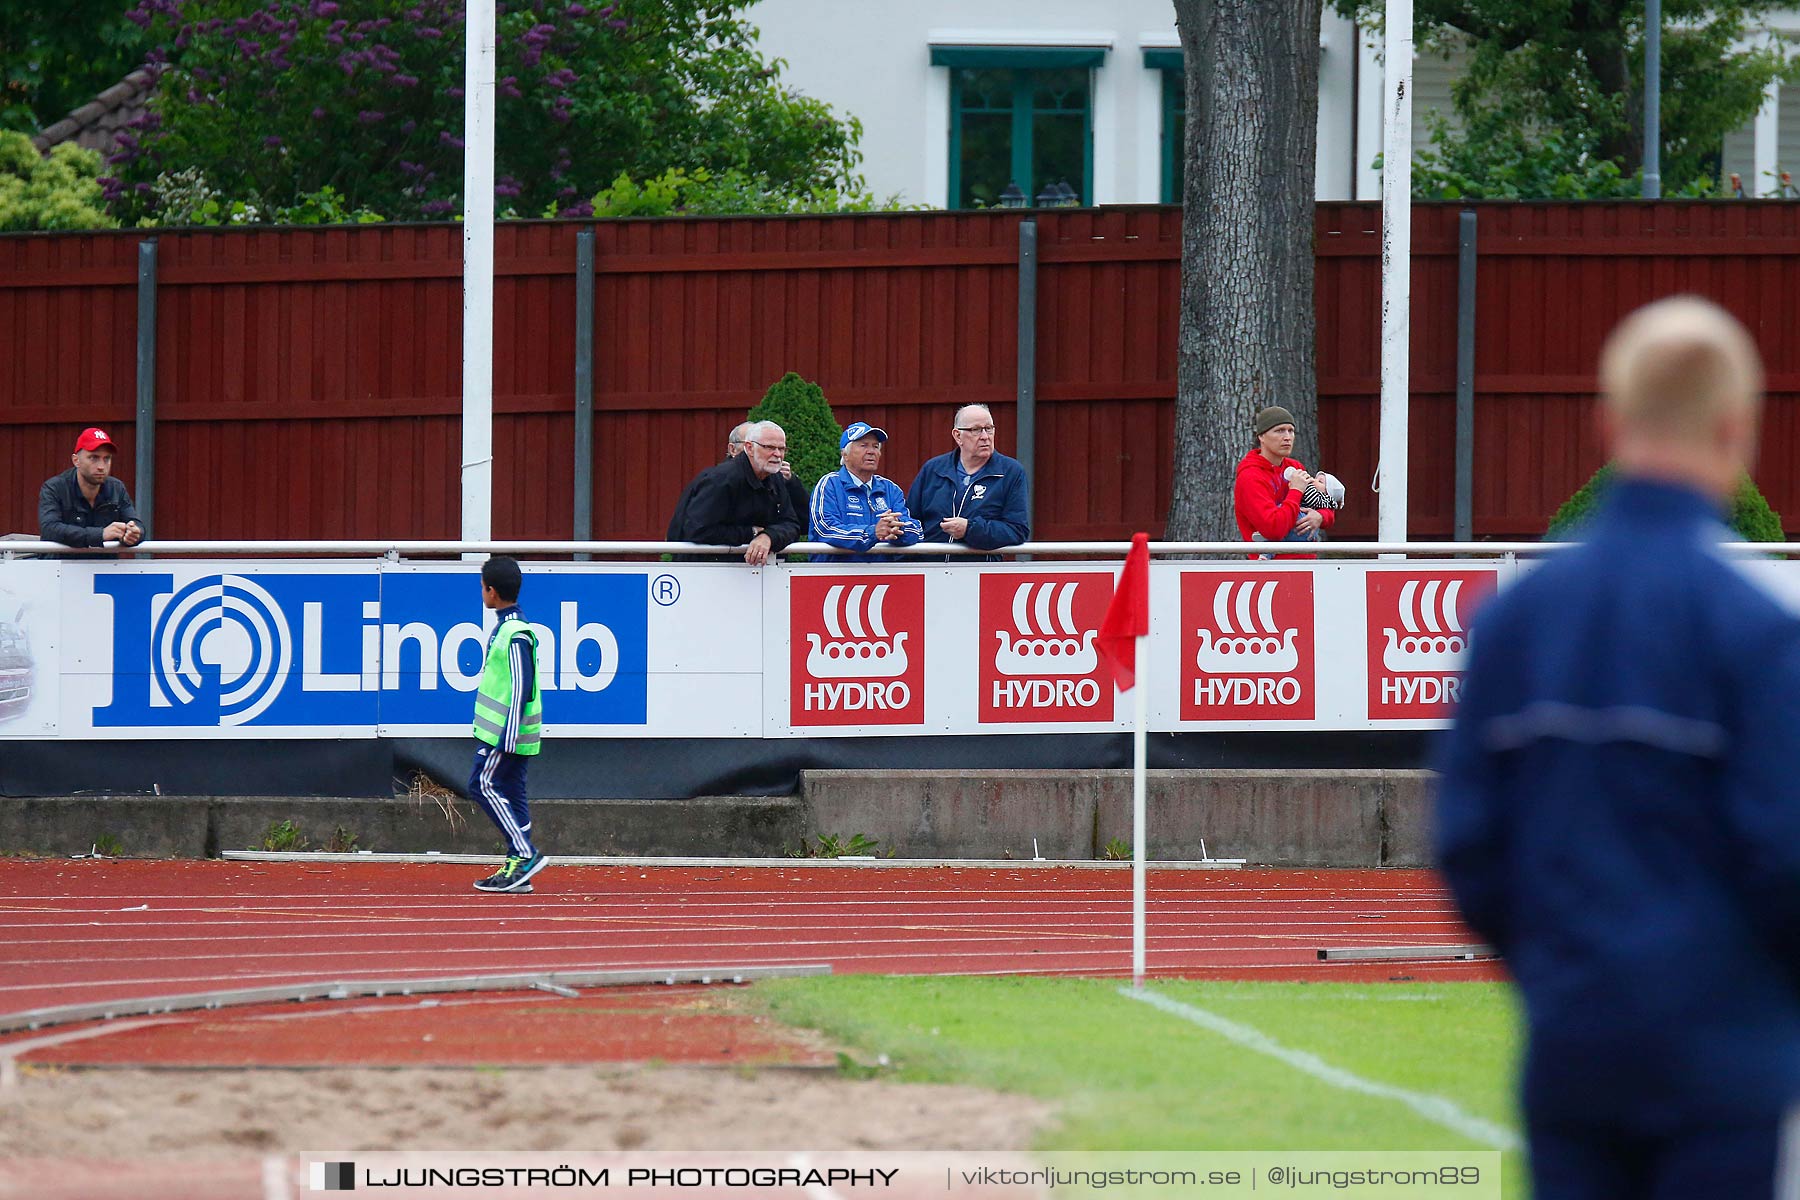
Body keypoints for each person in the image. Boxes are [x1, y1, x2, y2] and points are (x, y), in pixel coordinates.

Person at [1437, 296, 1800, 1199]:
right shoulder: (1760, 630)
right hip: (1724, 1057)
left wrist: (1561, 972)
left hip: (1572, 1046)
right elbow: (1787, 858)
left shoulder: (1514, 624)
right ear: (1735, 431)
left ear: (1609, 423)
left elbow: (1468, 846)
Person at [469, 555, 549, 894]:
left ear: (491, 591)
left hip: (506, 735)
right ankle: (519, 870)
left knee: (481, 785)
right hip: (509, 733)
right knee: (514, 793)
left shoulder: (515, 633)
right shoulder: (508, 627)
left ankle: (524, 853)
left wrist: (508, 736)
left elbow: (522, 686)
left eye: (482, 588)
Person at [906, 404, 1030, 560]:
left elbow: (1017, 530)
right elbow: (910, 521)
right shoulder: (933, 470)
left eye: (989, 428)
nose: (985, 436)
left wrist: (969, 529)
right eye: (976, 430)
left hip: (980, 576)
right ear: (958, 436)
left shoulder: (1010, 472)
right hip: (930, 574)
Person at [675, 421, 805, 565]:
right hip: (708, 571)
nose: (778, 454)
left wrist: (768, 537)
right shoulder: (721, 480)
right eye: (769, 447)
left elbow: (792, 524)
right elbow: (697, 529)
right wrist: (752, 533)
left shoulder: (776, 478)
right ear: (749, 448)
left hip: (758, 573)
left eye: (782, 449)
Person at [1232, 406, 1335, 559]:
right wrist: (1295, 491)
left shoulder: (1295, 467)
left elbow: (1323, 503)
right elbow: (1273, 529)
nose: (1287, 437)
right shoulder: (1250, 476)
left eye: (1291, 431)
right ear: (1261, 436)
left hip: (1307, 562)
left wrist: (1320, 517)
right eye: (1279, 430)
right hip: (1272, 568)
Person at [810, 422, 922, 562]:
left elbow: (916, 531)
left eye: (875, 446)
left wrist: (897, 528)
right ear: (845, 455)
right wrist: (872, 532)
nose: (871, 451)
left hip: (884, 577)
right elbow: (825, 529)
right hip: (835, 576)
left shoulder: (890, 489)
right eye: (863, 445)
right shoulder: (829, 484)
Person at [39, 428, 145, 549]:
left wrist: (134, 533)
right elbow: (49, 529)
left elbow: (136, 524)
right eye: (94, 458)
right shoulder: (55, 488)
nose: (101, 466)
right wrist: (100, 534)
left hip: (104, 566)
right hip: (60, 565)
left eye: (107, 458)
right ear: (76, 460)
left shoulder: (117, 488)